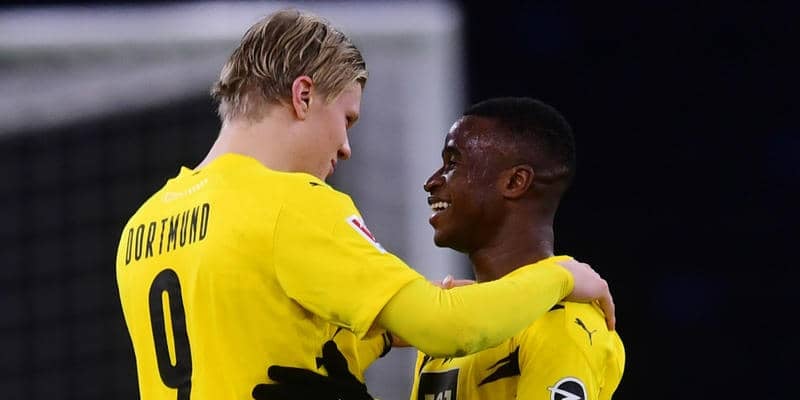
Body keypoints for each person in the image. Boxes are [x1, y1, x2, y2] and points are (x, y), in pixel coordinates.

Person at [115, 8, 615, 400]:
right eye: (347, 119)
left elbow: (253, 344)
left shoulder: (142, 227)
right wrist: (561, 276)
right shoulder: (292, 204)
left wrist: (385, 332)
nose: (345, 147)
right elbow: (446, 325)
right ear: (303, 96)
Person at [406, 97, 625, 400]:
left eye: (452, 163)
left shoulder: (560, 321)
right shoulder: (450, 324)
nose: (431, 182)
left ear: (514, 182)